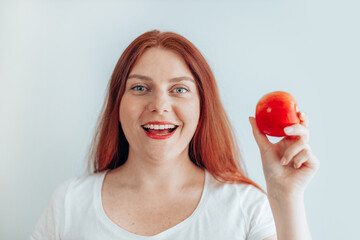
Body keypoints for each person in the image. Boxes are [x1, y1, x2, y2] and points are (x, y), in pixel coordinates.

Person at [30, 30, 320, 240]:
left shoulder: (245, 207)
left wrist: (286, 198)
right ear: (117, 103)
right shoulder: (70, 202)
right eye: (140, 88)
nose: (159, 106)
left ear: (202, 107)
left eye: (179, 90)